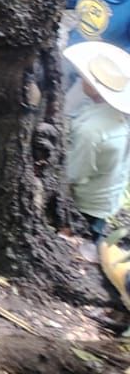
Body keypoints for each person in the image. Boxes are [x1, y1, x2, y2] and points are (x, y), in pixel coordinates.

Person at [63, 41, 130, 246]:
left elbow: (75, 173)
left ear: (93, 87)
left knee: (85, 240)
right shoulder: (118, 115)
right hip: (110, 190)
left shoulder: (91, 131)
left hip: (89, 203)